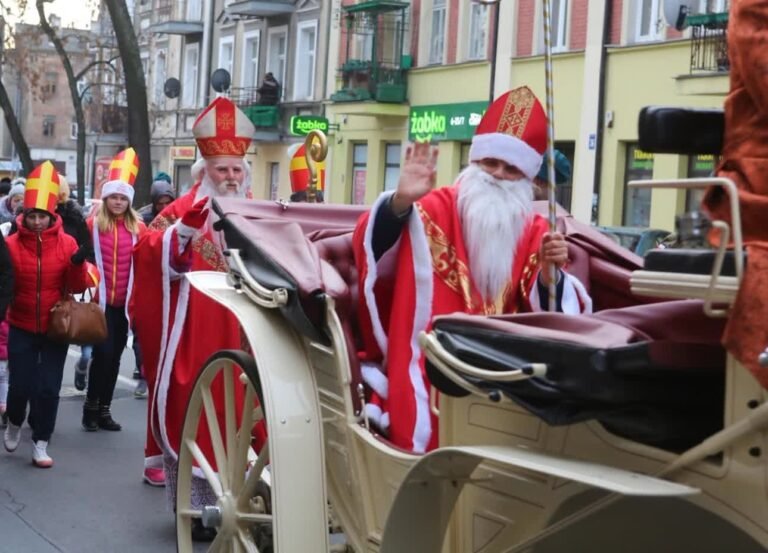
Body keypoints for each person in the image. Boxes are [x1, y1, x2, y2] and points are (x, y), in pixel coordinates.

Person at [352, 86, 592, 453]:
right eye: (490, 163)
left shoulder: (535, 231)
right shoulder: (433, 207)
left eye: (511, 168)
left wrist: (549, 275)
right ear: (474, 162)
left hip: (499, 364)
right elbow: (372, 243)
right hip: (427, 355)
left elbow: (552, 317)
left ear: (527, 179)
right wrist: (401, 201)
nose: (497, 174)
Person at [132, 97, 256, 505]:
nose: (231, 176)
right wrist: (181, 235)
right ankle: (194, 502)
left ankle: (249, 493)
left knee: (247, 406)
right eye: (223, 169)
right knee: (198, 407)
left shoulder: (255, 211)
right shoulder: (183, 209)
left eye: (237, 169)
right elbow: (149, 252)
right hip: (195, 329)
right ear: (204, 172)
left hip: (246, 326)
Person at [3, 161, 97, 468]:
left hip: (56, 325)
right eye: (33, 216)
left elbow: (78, 286)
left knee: (48, 387)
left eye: (43, 215)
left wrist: (78, 264)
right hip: (21, 324)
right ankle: (15, 421)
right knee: (20, 386)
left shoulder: (67, 242)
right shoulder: (10, 245)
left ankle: (41, 442)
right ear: (25, 217)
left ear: (52, 214)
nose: (39, 221)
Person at [82, 148, 146, 432]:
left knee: (116, 356)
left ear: (129, 201)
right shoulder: (92, 225)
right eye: (114, 197)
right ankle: (91, 408)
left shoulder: (139, 228)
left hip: (125, 307)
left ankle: (104, 410)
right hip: (100, 305)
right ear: (106, 199)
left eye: (123, 198)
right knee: (102, 356)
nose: (118, 202)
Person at [54, 175, 95, 392]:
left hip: (75, 283)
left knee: (84, 329)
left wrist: (84, 268)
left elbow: (87, 248)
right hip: (48, 287)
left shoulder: (75, 218)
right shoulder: (34, 216)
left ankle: (83, 365)